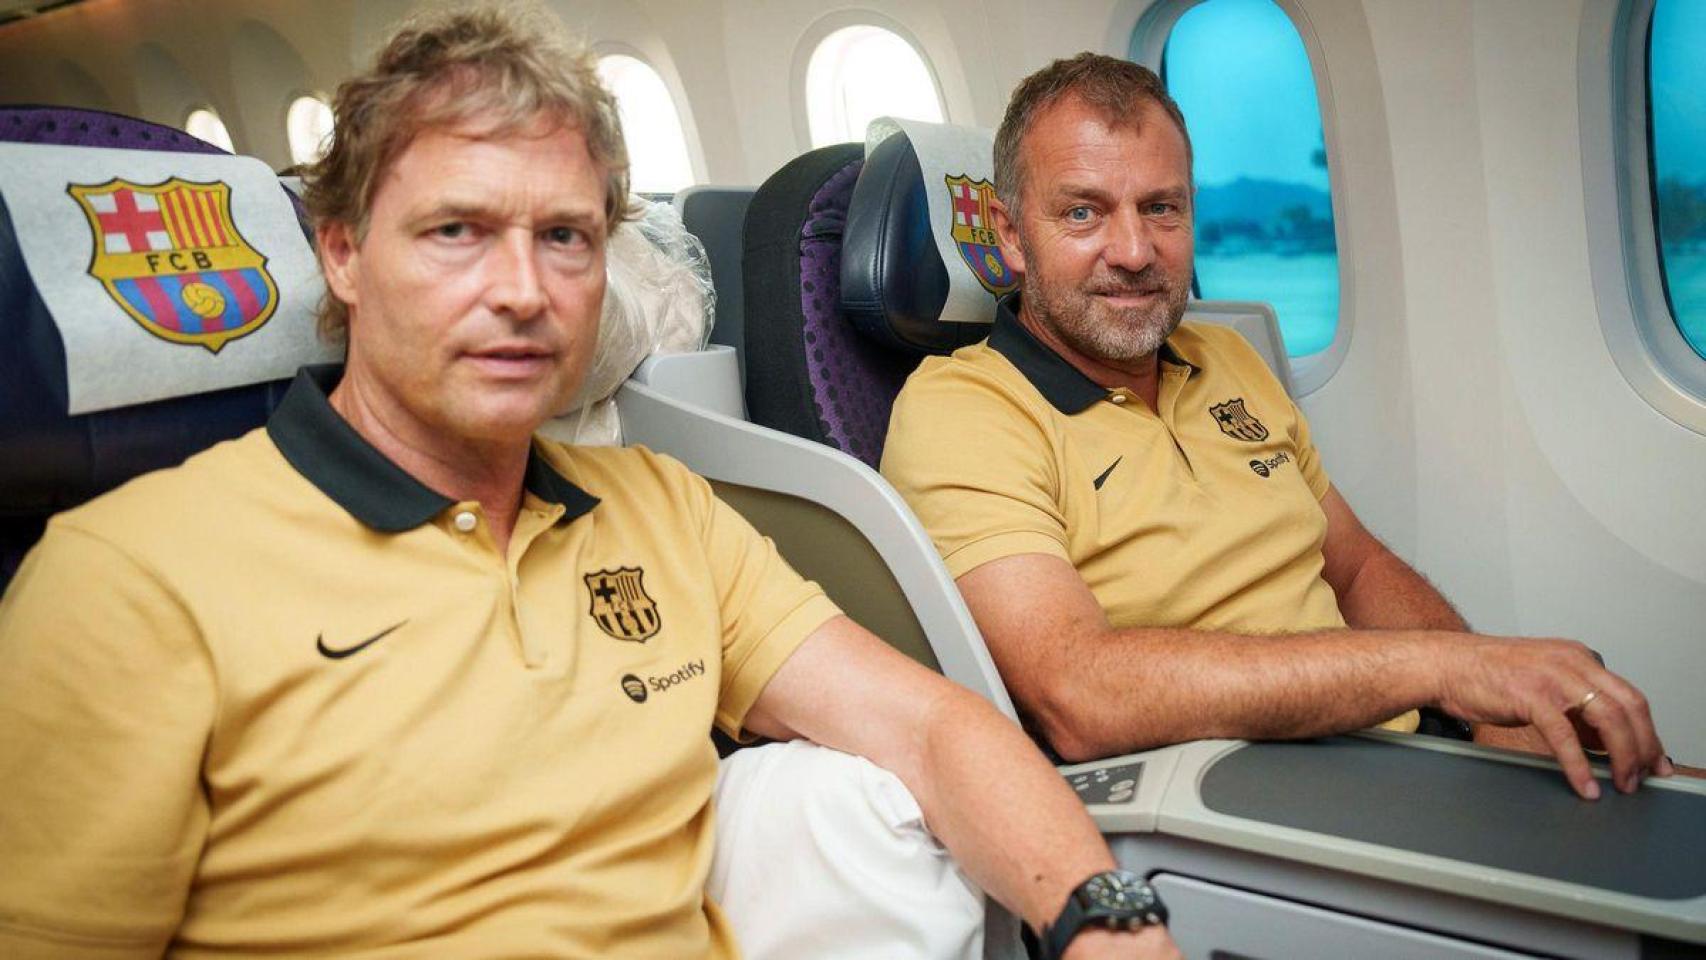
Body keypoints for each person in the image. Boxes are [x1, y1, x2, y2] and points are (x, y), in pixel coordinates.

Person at [0, 16, 1179, 960]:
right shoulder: (128, 580)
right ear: (343, 254)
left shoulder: (660, 507)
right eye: (456, 231)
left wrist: (1103, 921)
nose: (523, 290)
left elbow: (928, 728)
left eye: (565, 237)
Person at [880, 53, 1675, 803]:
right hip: (1242, 800)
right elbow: (1078, 693)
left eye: (1161, 208)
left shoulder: (1227, 358)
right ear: (1010, 234)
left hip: (1401, 745)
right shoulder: (965, 410)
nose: (1134, 251)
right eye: (1083, 212)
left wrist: (1490, 709)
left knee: (1661, 810)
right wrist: (1445, 669)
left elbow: (1355, 566)